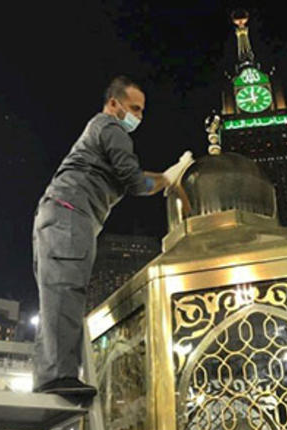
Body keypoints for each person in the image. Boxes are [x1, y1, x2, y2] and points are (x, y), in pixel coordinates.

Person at [31, 75, 191, 398]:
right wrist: (168, 179)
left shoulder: (97, 134)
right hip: (69, 216)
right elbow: (136, 183)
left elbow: (129, 178)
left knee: (56, 298)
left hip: (57, 216)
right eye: (134, 108)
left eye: (142, 111)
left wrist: (164, 177)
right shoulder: (110, 127)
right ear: (114, 103)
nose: (139, 116)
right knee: (66, 292)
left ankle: (49, 376)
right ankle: (58, 377)